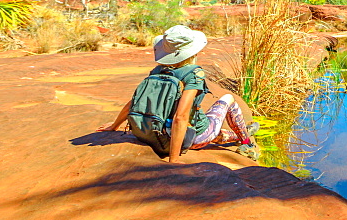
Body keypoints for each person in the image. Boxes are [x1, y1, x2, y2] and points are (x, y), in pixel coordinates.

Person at [97, 25, 259, 163]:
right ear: (192, 52)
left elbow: (136, 102)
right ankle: (246, 144)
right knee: (228, 99)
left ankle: (243, 131)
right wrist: (173, 159)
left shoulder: (157, 71)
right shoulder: (193, 74)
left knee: (215, 133)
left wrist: (114, 126)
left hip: (157, 134)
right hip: (191, 138)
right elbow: (181, 116)